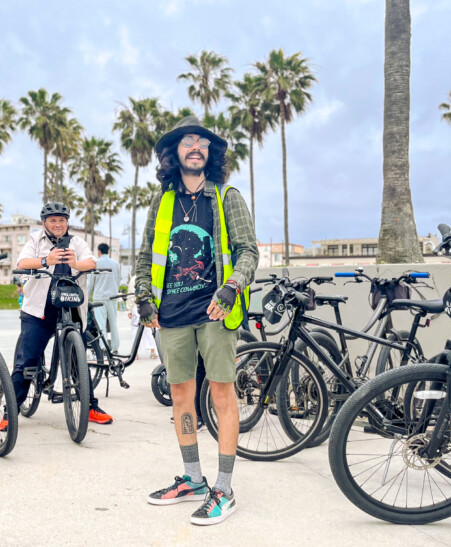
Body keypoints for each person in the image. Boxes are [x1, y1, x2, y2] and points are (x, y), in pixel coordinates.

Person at [137, 116, 258, 525]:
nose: (195, 147)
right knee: (181, 398)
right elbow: (144, 256)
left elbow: (248, 252)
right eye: (187, 142)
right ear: (175, 153)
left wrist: (231, 288)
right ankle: (193, 479)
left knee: (222, 396)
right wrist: (143, 300)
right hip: (170, 315)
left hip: (215, 313)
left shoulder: (226, 196)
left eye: (202, 143)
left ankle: (223, 488)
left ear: (210, 153)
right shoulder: (163, 201)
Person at [6, 201, 114, 430]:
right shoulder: (36, 240)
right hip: (39, 309)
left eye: (62, 220)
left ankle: (89, 406)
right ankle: (11, 410)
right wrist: (46, 260)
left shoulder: (77, 242)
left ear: (67, 223)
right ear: (44, 223)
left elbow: (91, 262)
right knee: (27, 360)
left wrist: (75, 263)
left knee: (79, 358)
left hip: (71, 307)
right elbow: (22, 262)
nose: (57, 224)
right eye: (53, 220)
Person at [86, 242, 121, 353]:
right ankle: (115, 348)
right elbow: (118, 279)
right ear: (108, 251)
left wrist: (87, 296)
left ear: (99, 251)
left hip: (99, 298)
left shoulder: (96, 263)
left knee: (101, 324)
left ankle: (103, 347)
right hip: (113, 296)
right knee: (113, 323)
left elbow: (90, 283)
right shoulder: (116, 264)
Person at [127, 275, 157, 359]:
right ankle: (153, 350)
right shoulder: (151, 276)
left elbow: (131, 296)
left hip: (136, 306)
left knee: (135, 329)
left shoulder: (134, 279)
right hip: (149, 305)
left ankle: (135, 353)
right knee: (149, 328)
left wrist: (129, 309)